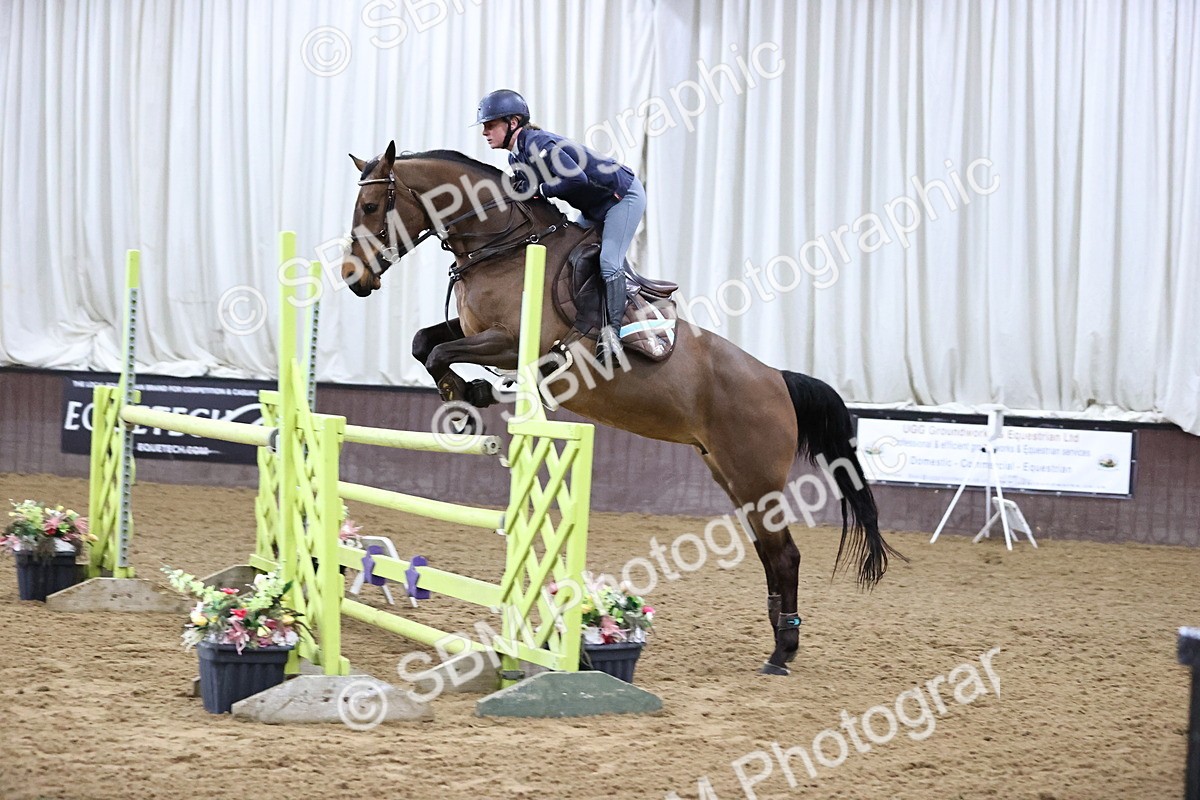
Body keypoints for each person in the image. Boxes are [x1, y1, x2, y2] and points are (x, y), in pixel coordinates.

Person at [475, 89, 646, 368]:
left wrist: (539, 188)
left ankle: (614, 336)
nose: (485, 132)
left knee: (608, 261)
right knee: (567, 257)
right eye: (485, 126)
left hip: (620, 197)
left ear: (513, 122)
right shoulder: (516, 158)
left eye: (490, 124)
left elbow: (575, 179)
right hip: (593, 207)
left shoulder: (538, 144)